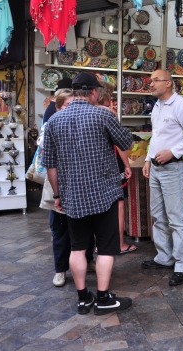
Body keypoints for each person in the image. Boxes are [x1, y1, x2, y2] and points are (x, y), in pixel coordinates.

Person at [43, 72, 134, 316]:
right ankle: (103, 299)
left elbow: (50, 165)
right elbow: (127, 143)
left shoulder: (54, 121)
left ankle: (84, 299)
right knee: (105, 249)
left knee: (78, 248)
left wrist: (58, 193)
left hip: (72, 196)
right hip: (104, 193)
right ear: (94, 92)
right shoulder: (104, 114)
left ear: (73, 92)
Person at [142, 69, 183, 286]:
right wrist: (148, 159)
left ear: (168, 83)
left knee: (176, 219)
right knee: (158, 215)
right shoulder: (157, 106)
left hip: (173, 168)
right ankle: (164, 256)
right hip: (157, 168)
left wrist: (173, 152)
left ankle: (182, 264)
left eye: (155, 80)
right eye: (150, 81)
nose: (151, 84)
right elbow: (156, 136)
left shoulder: (181, 105)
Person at [44, 88, 96, 288]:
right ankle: (60, 270)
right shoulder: (52, 126)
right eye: (67, 105)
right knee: (60, 229)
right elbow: (48, 162)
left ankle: (88, 259)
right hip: (59, 186)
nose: (71, 109)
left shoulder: (82, 124)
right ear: (58, 108)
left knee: (86, 226)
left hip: (81, 188)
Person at [96, 82, 136, 254]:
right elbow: (121, 144)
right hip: (113, 164)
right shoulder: (108, 113)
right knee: (118, 205)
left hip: (96, 167)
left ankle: (99, 243)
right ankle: (119, 243)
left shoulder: (88, 112)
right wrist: (127, 165)